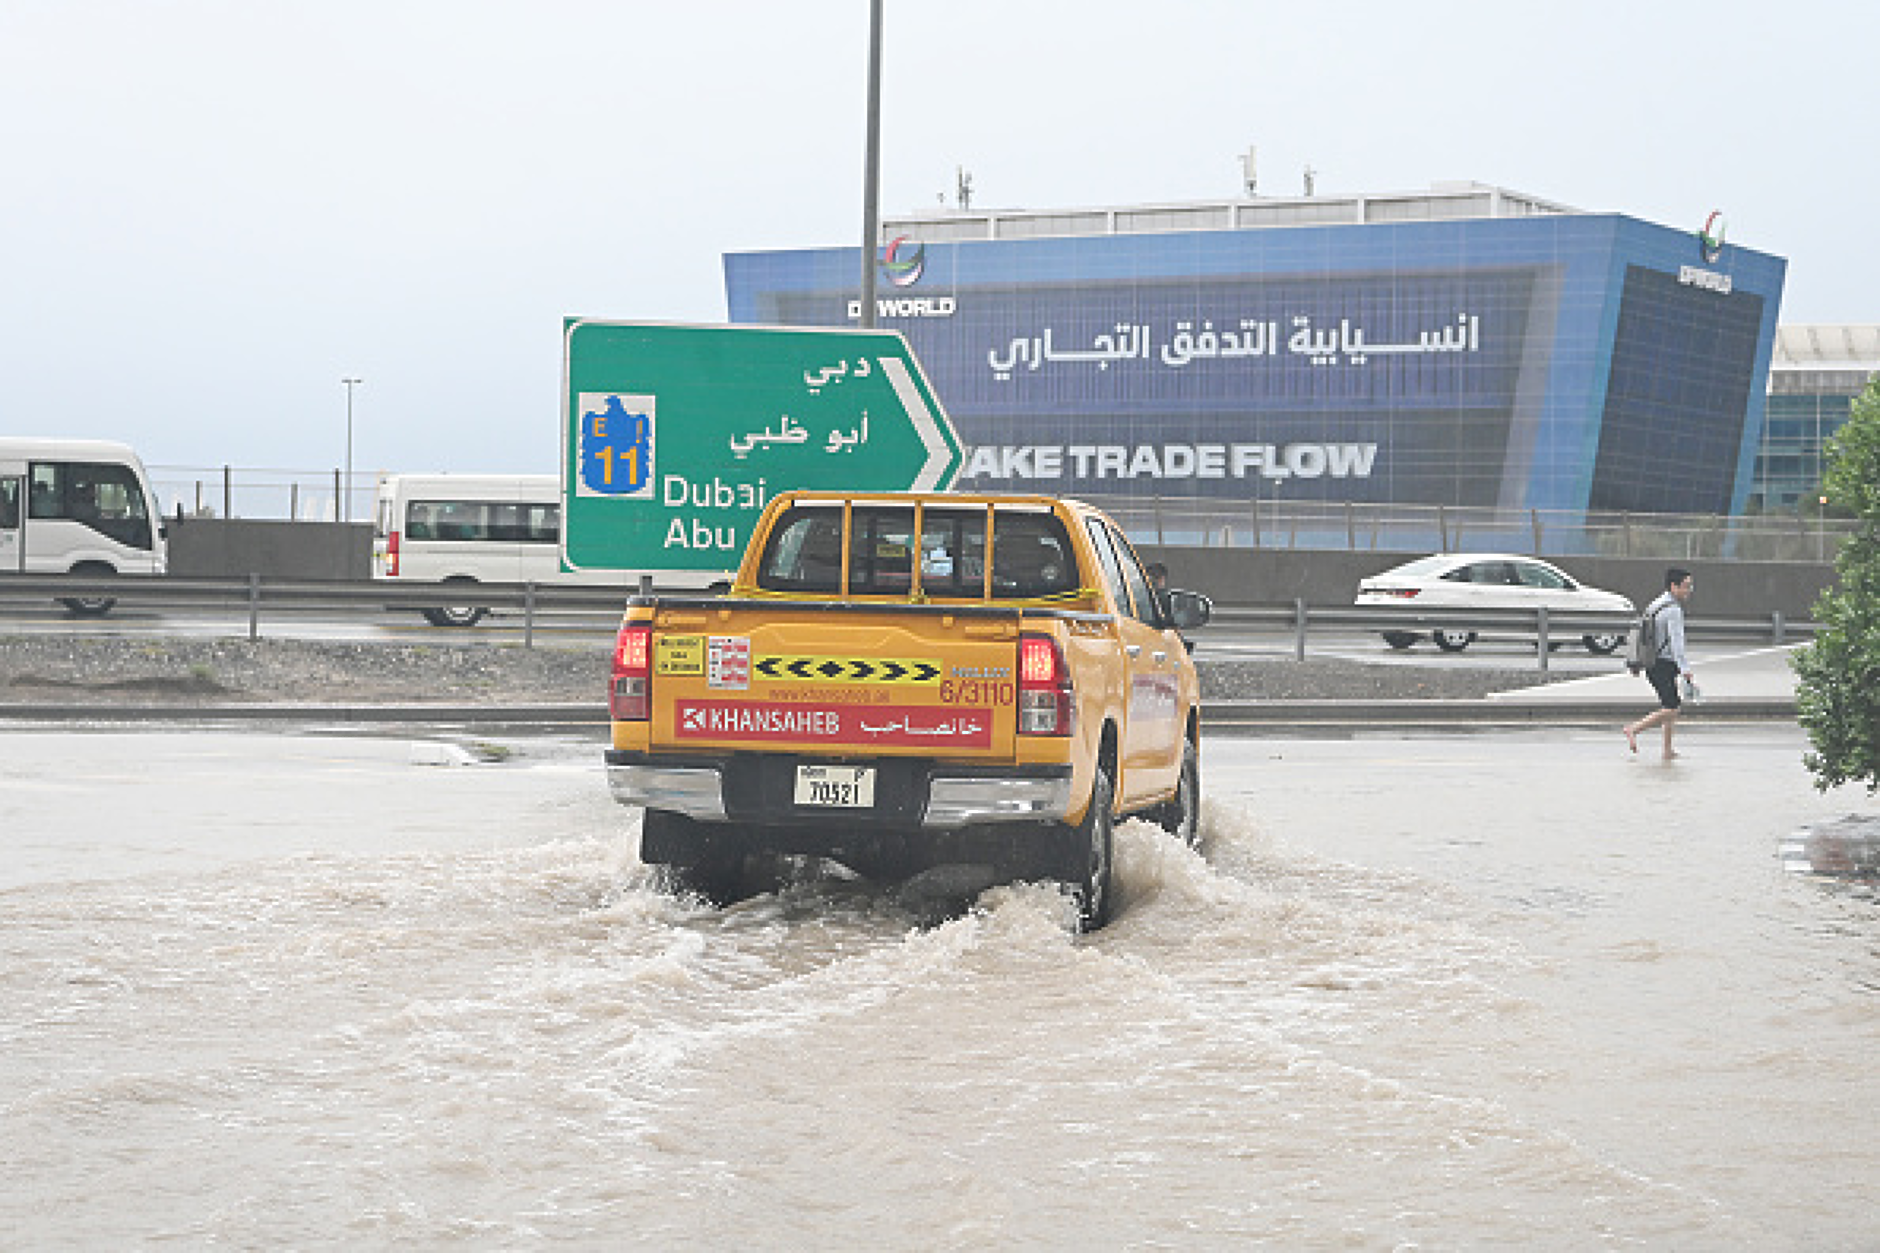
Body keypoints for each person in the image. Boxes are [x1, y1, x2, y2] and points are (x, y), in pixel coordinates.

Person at [1624, 567, 1696, 759]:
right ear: (1673, 586)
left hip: (1653, 663)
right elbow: (1677, 642)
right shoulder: (1673, 610)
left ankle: (1667, 750)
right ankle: (1634, 729)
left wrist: (1637, 662)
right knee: (1672, 708)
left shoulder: (1655, 605)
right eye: (1686, 586)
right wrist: (1685, 669)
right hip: (1663, 664)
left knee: (1668, 705)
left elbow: (1644, 637)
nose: (1689, 591)